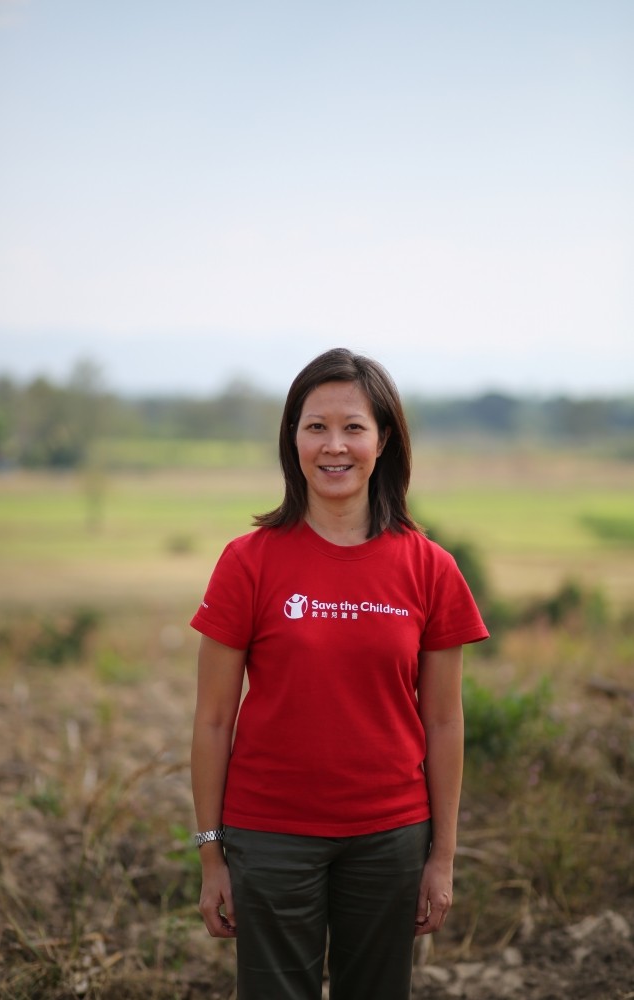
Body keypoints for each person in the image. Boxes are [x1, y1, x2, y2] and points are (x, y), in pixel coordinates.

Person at [190, 347, 489, 1000]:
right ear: (291, 439)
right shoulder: (247, 562)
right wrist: (212, 854)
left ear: (383, 440)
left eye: (352, 426)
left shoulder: (429, 568)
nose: (334, 445)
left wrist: (439, 857)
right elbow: (213, 719)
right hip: (268, 838)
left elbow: (442, 720)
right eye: (314, 426)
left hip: (388, 840)